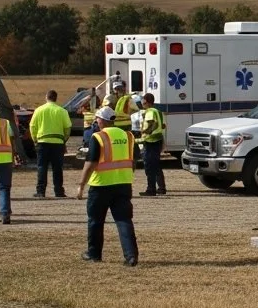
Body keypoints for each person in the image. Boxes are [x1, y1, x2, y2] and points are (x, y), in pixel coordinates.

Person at [77, 106, 139, 266]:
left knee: (95, 221)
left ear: (102, 120)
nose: (96, 121)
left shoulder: (98, 137)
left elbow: (90, 163)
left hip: (101, 186)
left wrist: (81, 184)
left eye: (97, 118)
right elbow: (133, 161)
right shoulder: (128, 136)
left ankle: (94, 254)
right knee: (124, 220)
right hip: (123, 184)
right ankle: (131, 256)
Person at [30, 89, 72, 198]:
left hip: (42, 142)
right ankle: (59, 191)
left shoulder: (39, 110)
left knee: (42, 167)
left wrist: (35, 139)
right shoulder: (62, 111)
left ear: (46, 97)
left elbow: (32, 126)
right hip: (57, 143)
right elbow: (68, 128)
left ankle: (40, 191)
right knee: (57, 168)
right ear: (56, 98)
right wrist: (64, 140)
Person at [138, 93, 167, 197]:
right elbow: (163, 125)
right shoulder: (158, 111)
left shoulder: (150, 111)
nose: (141, 102)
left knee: (149, 167)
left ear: (146, 101)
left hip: (150, 142)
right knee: (156, 165)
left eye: (143, 100)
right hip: (158, 140)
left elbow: (152, 124)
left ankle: (151, 189)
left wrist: (145, 131)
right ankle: (161, 188)